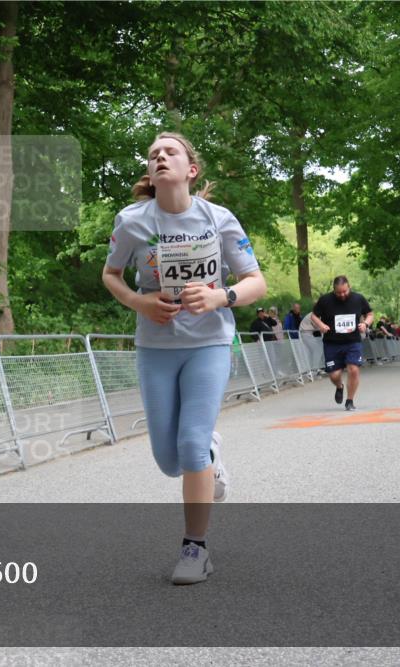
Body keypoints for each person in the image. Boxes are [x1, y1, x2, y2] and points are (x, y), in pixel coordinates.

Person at [102, 131, 266, 585]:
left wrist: (220, 297)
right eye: (153, 154)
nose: (159, 157)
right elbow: (111, 274)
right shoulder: (131, 221)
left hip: (208, 344)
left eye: (169, 151)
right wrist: (139, 302)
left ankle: (196, 549)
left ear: (190, 170)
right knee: (168, 460)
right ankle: (211, 453)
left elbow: (256, 282)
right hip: (156, 347)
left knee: (190, 444)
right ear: (150, 173)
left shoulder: (219, 219)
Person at [310, 276, 373, 411]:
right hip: (332, 343)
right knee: (334, 375)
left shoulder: (358, 299)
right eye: (339, 292)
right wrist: (321, 325)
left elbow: (370, 314)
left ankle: (350, 401)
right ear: (334, 290)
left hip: (352, 342)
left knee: (353, 369)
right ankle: (339, 386)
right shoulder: (325, 300)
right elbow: (313, 316)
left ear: (349, 287)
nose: (342, 295)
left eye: (345, 291)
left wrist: (365, 324)